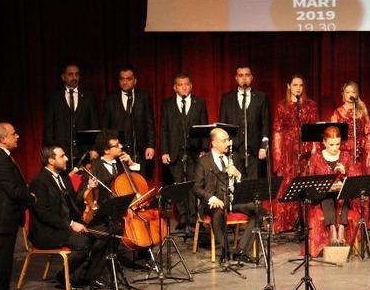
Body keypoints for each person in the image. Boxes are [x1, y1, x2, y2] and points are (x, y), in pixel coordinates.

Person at [28, 145, 108, 289]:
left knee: (104, 234)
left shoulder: (64, 177)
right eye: (62, 156)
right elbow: (44, 214)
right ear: (51, 161)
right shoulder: (39, 181)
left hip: (65, 226)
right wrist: (71, 224)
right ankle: (62, 276)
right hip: (47, 231)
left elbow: (74, 202)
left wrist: (89, 189)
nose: (66, 159)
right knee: (83, 242)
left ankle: (87, 276)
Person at [192, 127, 259, 263]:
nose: (229, 143)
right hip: (213, 202)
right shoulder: (204, 161)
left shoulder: (234, 158)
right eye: (224, 140)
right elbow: (196, 187)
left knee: (258, 210)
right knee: (217, 213)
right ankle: (226, 251)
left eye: (229, 140)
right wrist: (211, 197)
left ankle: (241, 251)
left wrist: (238, 174)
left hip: (233, 200)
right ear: (214, 143)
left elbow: (244, 184)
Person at [0, 123, 35, 290]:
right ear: (3, 139)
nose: (18, 137)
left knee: (6, 259)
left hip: (8, 216)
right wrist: (30, 196)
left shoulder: (4, 156)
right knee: (1, 259)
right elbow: (12, 190)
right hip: (2, 216)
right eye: (14, 134)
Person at [160, 73, 208, 237]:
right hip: (175, 151)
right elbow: (164, 128)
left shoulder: (199, 102)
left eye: (186, 84)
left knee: (193, 185)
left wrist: (203, 148)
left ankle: (194, 219)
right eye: (180, 85)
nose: (184, 87)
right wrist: (165, 151)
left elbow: (204, 127)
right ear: (175, 87)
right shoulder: (167, 104)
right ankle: (183, 218)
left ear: (191, 85)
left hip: (194, 151)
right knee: (179, 185)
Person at [272, 74, 319, 232]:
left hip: (305, 149)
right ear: (288, 86)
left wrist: (314, 148)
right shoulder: (281, 105)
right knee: (288, 182)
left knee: (304, 181)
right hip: (288, 150)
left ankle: (305, 220)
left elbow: (314, 128)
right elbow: (277, 131)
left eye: (300, 85)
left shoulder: (310, 105)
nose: (298, 88)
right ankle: (288, 222)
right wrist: (278, 157)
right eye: (295, 85)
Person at [102, 66, 156, 178]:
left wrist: (150, 145)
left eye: (128, 78)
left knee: (139, 183)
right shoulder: (111, 99)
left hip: (140, 150)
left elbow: (149, 123)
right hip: (118, 150)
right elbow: (105, 126)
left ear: (135, 81)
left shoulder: (143, 97)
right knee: (121, 184)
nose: (125, 81)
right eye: (122, 79)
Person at [218, 65, 271, 180]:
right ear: (236, 78)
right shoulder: (227, 98)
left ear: (251, 77)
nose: (244, 78)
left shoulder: (261, 97)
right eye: (241, 75)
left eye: (247, 75)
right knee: (237, 182)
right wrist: (224, 146)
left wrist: (264, 147)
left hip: (255, 149)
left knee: (254, 183)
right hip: (235, 149)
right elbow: (222, 125)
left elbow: (265, 123)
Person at [307, 125, 352, 252]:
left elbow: (354, 180)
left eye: (337, 144)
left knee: (344, 196)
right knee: (327, 199)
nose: (335, 148)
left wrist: (345, 173)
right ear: (324, 142)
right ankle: (332, 228)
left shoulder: (346, 156)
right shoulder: (316, 157)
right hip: (323, 195)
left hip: (341, 193)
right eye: (331, 144)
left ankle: (342, 229)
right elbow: (310, 180)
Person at [43, 63, 100, 163]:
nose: (74, 77)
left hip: (83, 153)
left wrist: (94, 148)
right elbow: (49, 127)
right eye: (70, 74)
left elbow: (94, 124)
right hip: (61, 154)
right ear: (63, 77)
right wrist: (53, 151)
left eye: (76, 74)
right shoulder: (54, 98)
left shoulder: (88, 97)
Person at [330, 80, 370, 177]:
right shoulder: (337, 112)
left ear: (357, 94)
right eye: (347, 92)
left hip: (360, 151)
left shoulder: (361, 111)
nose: (350, 94)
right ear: (343, 94)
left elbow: (368, 133)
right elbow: (333, 135)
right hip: (344, 151)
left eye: (353, 92)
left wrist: (369, 153)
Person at [90, 130, 142, 206]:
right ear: (106, 150)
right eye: (117, 145)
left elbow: (140, 180)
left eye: (120, 143)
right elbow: (81, 196)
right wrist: (90, 187)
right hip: (105, 209)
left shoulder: (122, 163)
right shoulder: (94, 167)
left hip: (124, 207)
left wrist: (131, 163)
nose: (121, 146)